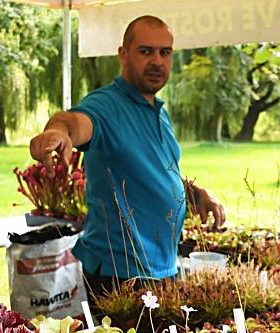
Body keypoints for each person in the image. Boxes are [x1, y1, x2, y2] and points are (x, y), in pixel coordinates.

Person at [28, 15, 225, 297]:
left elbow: (155, 171)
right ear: (123, 54)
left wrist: (195, 193)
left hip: (160, 269)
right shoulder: (106, 105)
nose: (157, 61)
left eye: (165, 52)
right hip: (119, 276)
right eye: (146, 51)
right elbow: (74, 122)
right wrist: (57, 132)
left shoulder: (159, 112)